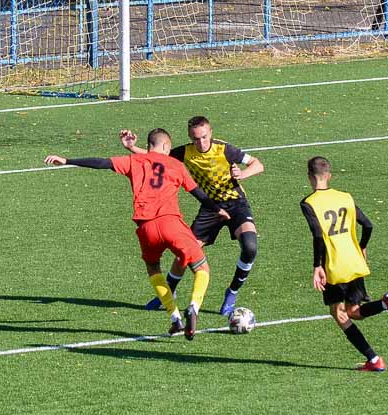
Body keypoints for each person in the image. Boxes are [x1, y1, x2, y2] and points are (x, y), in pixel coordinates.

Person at [44, 128, 230, 340]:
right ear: (166, 146)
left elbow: (101, 162)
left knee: (153, 268)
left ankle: (175, 317)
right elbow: (199, 194)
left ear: (149, 144)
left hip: (146, 228)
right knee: (201, 267)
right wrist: (218, 210)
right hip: (171, 223)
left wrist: (67, 160)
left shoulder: (134, 161)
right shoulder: (176, 165)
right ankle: (194, 307)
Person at [120, 116, 264, 316]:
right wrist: (132, 148)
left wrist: (242, 174)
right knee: (184, 253)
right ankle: (169, 291)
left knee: (250, 246)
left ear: (211, 133)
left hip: (236, 205)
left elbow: (258, 164)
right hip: (210, 209)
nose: (201, 143)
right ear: (190, 137)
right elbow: (156, 156)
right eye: (196, 139)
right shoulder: (186, 152)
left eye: (204, 137)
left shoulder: (225, 150)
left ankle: (231, 292)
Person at [300, 156, 388, 372]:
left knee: (339, 314)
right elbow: (368, 224)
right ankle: (385, 304)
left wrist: (317, 266)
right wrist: (362, 246)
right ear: (329, 175)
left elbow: (317, 234)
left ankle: (374, 360)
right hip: (354, 261)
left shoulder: (309, 203)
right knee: (353, 311)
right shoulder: (345, 197)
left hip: (334, 266)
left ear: (309, 177)